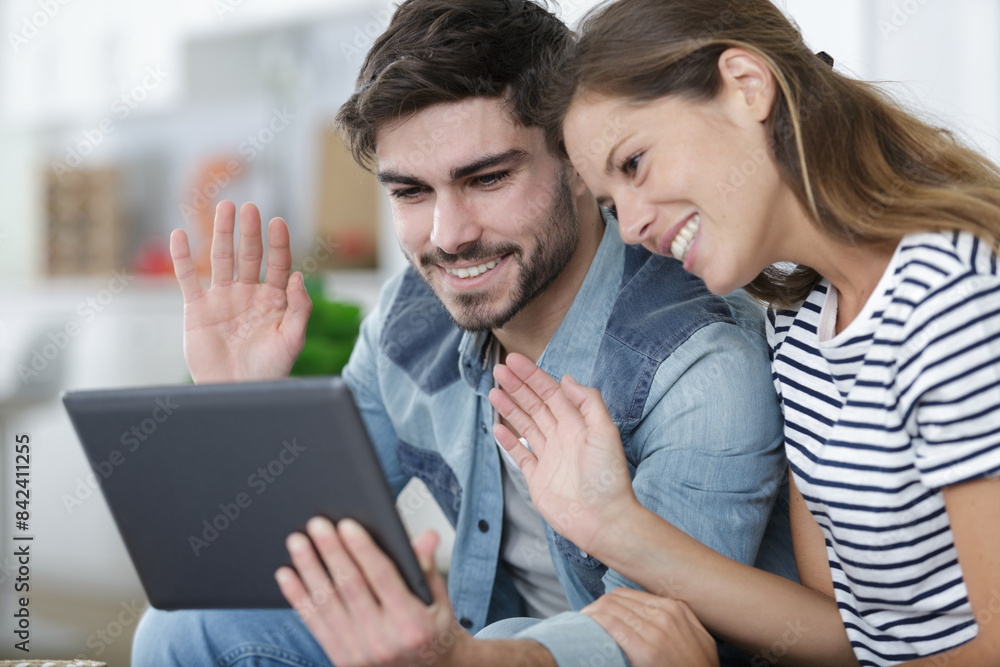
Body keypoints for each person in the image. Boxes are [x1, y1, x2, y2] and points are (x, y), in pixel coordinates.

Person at [131, 1, 798, 665]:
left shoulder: (699, 362)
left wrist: (461, 659)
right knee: (183, 628)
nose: (449, 236)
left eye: (487, 179)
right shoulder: (409, 317)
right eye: (410, 192)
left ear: (578, 160)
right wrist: (238, 403)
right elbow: (307, 550)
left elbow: (653, 640)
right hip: (473, 646)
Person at [489, 0, 1000, 665]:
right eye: (612, 203)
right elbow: (846, 632)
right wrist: (609, 524)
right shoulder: (802, 322)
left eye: (634, 163)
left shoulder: (953, 299)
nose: (633, 225)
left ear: (748, 86)